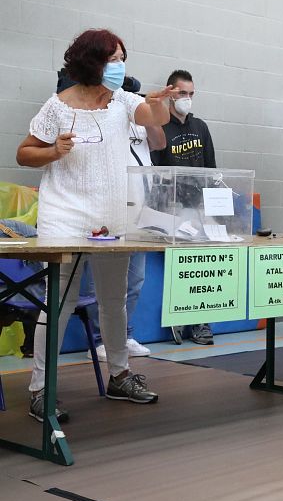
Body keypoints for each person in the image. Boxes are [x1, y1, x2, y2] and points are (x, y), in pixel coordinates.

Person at [16, 28, 170, 421]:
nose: (120, 66)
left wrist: (158, 103)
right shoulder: (57, 106)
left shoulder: (121, 101)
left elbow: (155, 119)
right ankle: (40, 389)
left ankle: (119, 374)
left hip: (113, 214)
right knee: (59, 302)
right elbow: (24, 153)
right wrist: (53, 150)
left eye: (122, 58)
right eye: (114, 59)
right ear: (92, 61)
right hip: (64, 214)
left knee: (113, 301)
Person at [63, 75, 166, 362]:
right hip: (111, 204)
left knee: (135, 278)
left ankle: (124, 335)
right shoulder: (107, 117)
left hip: (141, 204)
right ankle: (99, 340)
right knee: (103, 281)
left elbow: (159, 143)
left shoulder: (141, 118)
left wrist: (151, 113)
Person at [150, 69, 216, 345]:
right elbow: (152, 169)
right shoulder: (159, 127)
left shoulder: (200, 127)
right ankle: (177, 315)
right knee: (177, 265)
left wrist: (211, 209)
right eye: (182, 93)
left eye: (191, 94)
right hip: (170, 208)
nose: (187, 98)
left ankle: (200, 321)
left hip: (196, 207)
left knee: (199, 266)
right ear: (170, 93)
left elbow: (211, 169)